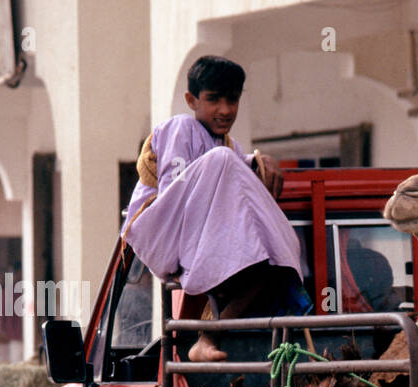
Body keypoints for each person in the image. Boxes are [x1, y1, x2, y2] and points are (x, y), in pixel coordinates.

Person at [122, 55, 308, 364]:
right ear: (191, 100)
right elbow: (174, 195)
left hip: (197, 231)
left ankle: (208, 337)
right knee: (224, 162)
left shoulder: (228, 145)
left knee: (270, 264)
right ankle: (208, 264)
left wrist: (256, 162)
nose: (224, 110)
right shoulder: (181, 128)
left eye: (232, 100)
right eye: (213, 100)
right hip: (162, 229)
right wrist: (247, 163)